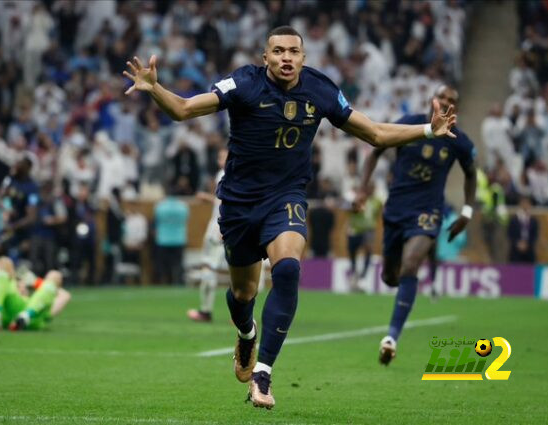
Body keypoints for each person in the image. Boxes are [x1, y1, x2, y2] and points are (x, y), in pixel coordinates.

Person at [123, 26, 457, 409]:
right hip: (238, 205)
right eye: (278, 51)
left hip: (287, 198)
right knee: (243, 294)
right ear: (265, 57)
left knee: (286, 270)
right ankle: (247, 335)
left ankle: (263, 374)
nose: (286, 58)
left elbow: (376, 134)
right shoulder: (244, 83)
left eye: (293, 51)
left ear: (303, 57)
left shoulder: (321, 90)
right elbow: (183, 109)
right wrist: (156, 89)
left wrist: (429, 130)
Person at [360, 85, 476, 366]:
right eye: (443, 97)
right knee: (391, 276)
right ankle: (406, 288)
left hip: (428, 210)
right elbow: (377, 149)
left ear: (455, 108)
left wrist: (467, 212)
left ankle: (391, 338)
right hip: (396, 208)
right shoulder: (410, 124)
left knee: (411, 264)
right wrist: (363, 189)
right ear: (432, 101)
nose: (447, 102)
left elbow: (471, 174)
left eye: (452, 99)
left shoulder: (458, 140)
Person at [187, 148, 228, 322]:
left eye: (222, 156)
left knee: (209, 268)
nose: (220, 159)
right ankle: (241, 315)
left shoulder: (224, 174)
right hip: (229, 226)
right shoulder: (239, 174)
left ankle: (205, 311)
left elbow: (225, 202)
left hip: (219, 226)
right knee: (238, 271)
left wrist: (221, 227)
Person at [0, 256, 71, 331]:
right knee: (3, 262)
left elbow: (65, 295)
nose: (22, 286)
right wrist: (14, 279)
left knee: (54, 275)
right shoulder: (10, 290)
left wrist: (36, 282)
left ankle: (25, 316)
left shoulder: (42, 302)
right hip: (7, 308)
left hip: (33, 316)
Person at [507, 195, 538, 263]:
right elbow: (510, 234)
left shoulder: (533, 220)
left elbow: (534, 235)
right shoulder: (514, 220)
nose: (525, 205)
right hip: (516, 251)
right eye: (523, 203)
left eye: (527, 203)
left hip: (529, 251)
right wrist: (517, 243)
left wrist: (527, 244)